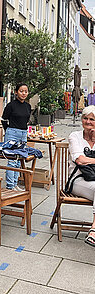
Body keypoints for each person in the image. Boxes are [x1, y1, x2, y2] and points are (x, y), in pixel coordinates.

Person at [68, 105, 95, 247]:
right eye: (85, 118)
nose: (88, 121)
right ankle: (94, 231)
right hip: (77, 180)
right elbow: (80, 160)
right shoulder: (75, 136)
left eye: (92, 119)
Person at [1, 83, 31, 190]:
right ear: (16, 92)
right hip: (12, 133)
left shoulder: (28, 106)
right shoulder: (11, 105)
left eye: (25, 91)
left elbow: (26, 120)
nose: (23, 93)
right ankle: (10, 186)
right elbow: (4, 119)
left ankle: (15, 184)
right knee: (12, 160)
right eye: (21, 91)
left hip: (23, 134)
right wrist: (9, 131)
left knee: (19, 160)